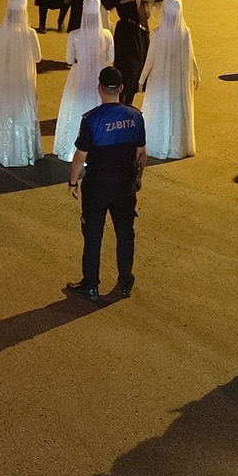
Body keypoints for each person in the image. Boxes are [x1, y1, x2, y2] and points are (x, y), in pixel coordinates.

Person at [65, 66, 147, 302]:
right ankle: (125, 281)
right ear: (121, 88)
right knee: (125, 233)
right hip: (124, 186)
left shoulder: (91, 119)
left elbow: (80, 156)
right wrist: (138, 178)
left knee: (93, 235)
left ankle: (90, 285)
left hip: (97, 186)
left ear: (99, 88)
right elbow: (141, 153)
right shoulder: (135, 116)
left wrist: (73, 182)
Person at [0, 0, 42, 167]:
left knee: (3, 110)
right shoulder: (30, 33)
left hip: (3, 79)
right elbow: (38, 58)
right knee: (22, 111)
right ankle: (23, 152)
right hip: (23, 80)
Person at [53, 0, 115, 162]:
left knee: (76, 109)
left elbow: (69, 59)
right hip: (100, 75)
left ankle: (74, 148)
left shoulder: (74, 35)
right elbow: (111, 57)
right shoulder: (106, 35)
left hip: (79, 75)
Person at [139, 0, 199, 160]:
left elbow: (150, 59)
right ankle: (177, 145)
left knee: (160, 108)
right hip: (178, 79)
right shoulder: (185, 33)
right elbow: (191, 55)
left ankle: (160, 142)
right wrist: (196, 73)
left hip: (160, 78)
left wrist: (142, 79)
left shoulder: (157, 34)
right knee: (177, 109)